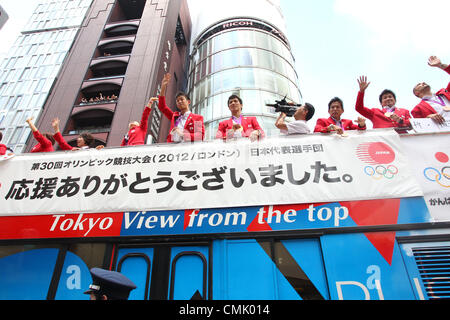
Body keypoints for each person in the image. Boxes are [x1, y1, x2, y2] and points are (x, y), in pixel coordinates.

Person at [158, 73, 205, 143]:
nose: (179, 101)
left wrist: (183, 134)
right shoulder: (175, 116)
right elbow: (162, 107)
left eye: (182, 99)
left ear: (188, 101)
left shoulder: (197, 118)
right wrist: (163, 87)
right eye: (177, 101)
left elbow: (199, 136)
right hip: (171, 148)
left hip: (187, 149)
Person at [411, 56, 450, 124]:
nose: (423, 83)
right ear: (416, 93)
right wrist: (428, 117)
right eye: (419, 84)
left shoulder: (445, 92)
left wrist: (440, 65)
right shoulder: (417, 109)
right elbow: (419, 125)